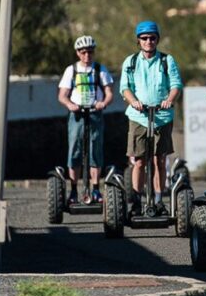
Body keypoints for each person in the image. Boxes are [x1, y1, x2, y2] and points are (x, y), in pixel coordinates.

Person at [120, 21, 183, 216]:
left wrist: (169, 100)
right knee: (139, 161)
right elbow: (125, 88)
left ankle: (158, 200)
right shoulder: (130, 62)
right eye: (145, 38)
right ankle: (137, 201)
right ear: (138, 41)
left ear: (157, 40)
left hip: (162, 116)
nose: (149, 41)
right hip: (138, 116)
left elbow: (175, 85)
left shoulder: (167, 60)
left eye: (152, 38)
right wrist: (133, 101)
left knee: (160, 160)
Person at [57, 35, 115, 205]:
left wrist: (103, 103)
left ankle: (95, 189)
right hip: (77, 115)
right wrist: (69, 104)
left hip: (95, 113)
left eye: (90, 52)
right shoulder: (71, 70)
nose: (87, 55)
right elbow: (62, 95)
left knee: (95, 149)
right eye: (83, 52)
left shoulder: (100, 70)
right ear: (77, 53)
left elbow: (109, 92)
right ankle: (74, 190)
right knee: (75, 150)